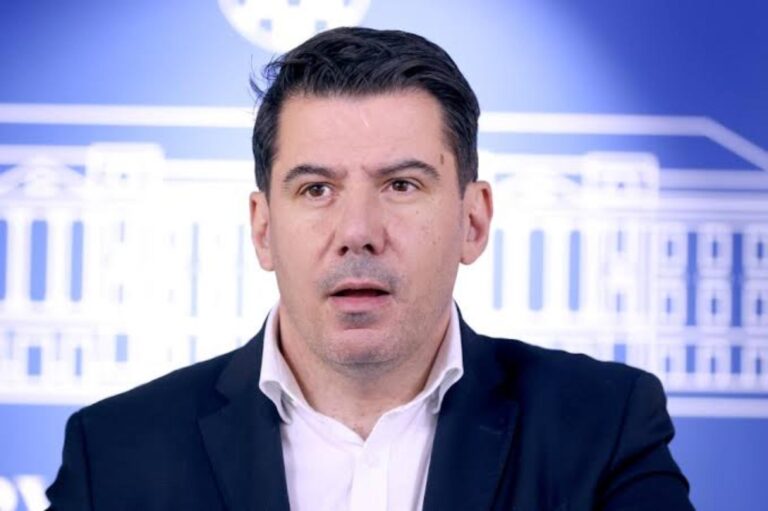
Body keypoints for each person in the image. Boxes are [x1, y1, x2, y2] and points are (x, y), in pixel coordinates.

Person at [46, 27, 694, 511]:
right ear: (263, 229)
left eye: (401, 185)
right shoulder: (116, 453)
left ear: (473, 221)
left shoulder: (604, 427)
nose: (357, 231)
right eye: (316, 189)